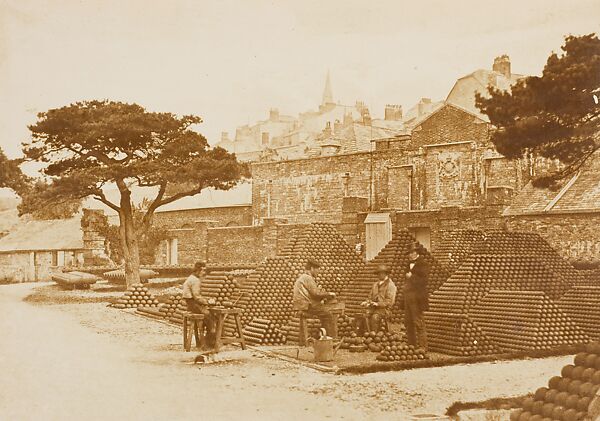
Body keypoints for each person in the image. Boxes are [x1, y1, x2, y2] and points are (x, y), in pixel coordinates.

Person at [292, 259, 337, 338]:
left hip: (301, 306)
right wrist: (329, 294)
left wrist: (322, 297)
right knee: (328, 314)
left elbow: (312, 295)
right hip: (306, 306)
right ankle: (331, 339)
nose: (318, 272)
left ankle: (321, 336)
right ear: (312, 268)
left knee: (323, 312)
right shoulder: (308, 278)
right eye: (317, 269)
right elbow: (316, 294)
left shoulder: (302, 277)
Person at [182, 261, 216, 346]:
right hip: (193, 304)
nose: (204, 273)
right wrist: (207, 302)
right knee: (210, 317)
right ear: (198, 270)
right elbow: (197, 297)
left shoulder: (191, 277)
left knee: (207, 317)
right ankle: (210, 341)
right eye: (203, 271)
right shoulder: (195, 280)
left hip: (190, 304)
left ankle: (204, 340)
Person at [404, 244, 431, 350]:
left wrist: (412, 277)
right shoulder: (408, 264)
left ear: (416, 253)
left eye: (411, 253)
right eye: (409, 253)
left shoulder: (423, 264)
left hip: (417, 298)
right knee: (408, 321)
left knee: (418, 321)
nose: (410, 255)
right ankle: (412, 345)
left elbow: (424, 281)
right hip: (408, 297)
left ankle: (423, 346)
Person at [361, 264, 397, 332]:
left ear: (385, 273)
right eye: (378, 273)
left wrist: (378, 304)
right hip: (374, 308)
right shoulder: (375, 285)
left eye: (380, 273)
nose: (379, 275)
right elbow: (370, 296)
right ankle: (367, 335)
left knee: (375, 317)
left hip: (385, 310)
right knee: (363, 316)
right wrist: (367, 302)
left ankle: (375, 336)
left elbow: (390, 302)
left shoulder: (391, 285)